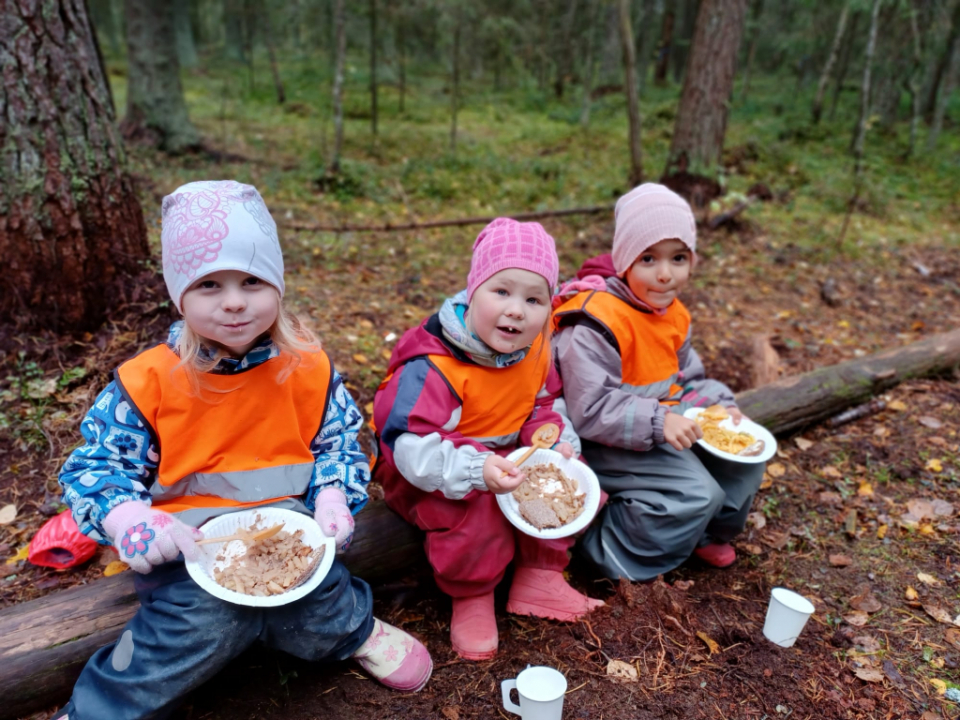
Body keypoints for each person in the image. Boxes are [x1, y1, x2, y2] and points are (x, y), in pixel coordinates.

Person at [55, 180, 431, 720]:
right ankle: (103, 706)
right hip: (187, 551)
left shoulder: (308, 368)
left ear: (277, 285)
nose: (234, 301)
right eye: (210, 284)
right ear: (179, 294)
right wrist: (131, 519)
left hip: (290, 534)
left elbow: (339, 443)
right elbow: (97, 466)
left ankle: (352, 631)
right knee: (189, 627)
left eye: (252, 281)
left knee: (321, 595)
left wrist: (332, 496)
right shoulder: (149, 382)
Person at [372, 218, 604, 661]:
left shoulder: (536, 347)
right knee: (475, 512)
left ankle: (540, 576)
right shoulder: (436, 364)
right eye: (501, 291)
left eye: (534, 299)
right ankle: (472, 594)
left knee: (563, 481)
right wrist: (476, 470)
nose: (516, 310)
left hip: (504, 457)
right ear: (473, 289)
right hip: (436, 469)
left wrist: (553, 441)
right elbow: (409, 443)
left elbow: (544, 402)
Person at [553, 183, 766, 582]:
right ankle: (606, 557)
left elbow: (687, 378)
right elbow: (590, 410)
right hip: (602, 439)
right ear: (624, 261)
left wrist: (719, 404)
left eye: (678, 258)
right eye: (648, 258)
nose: (665, 273)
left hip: (656, 421)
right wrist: (658, 422)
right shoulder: (595, 321)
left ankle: (704, 534)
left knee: (744, 461)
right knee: (695, 491)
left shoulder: (671, 313)